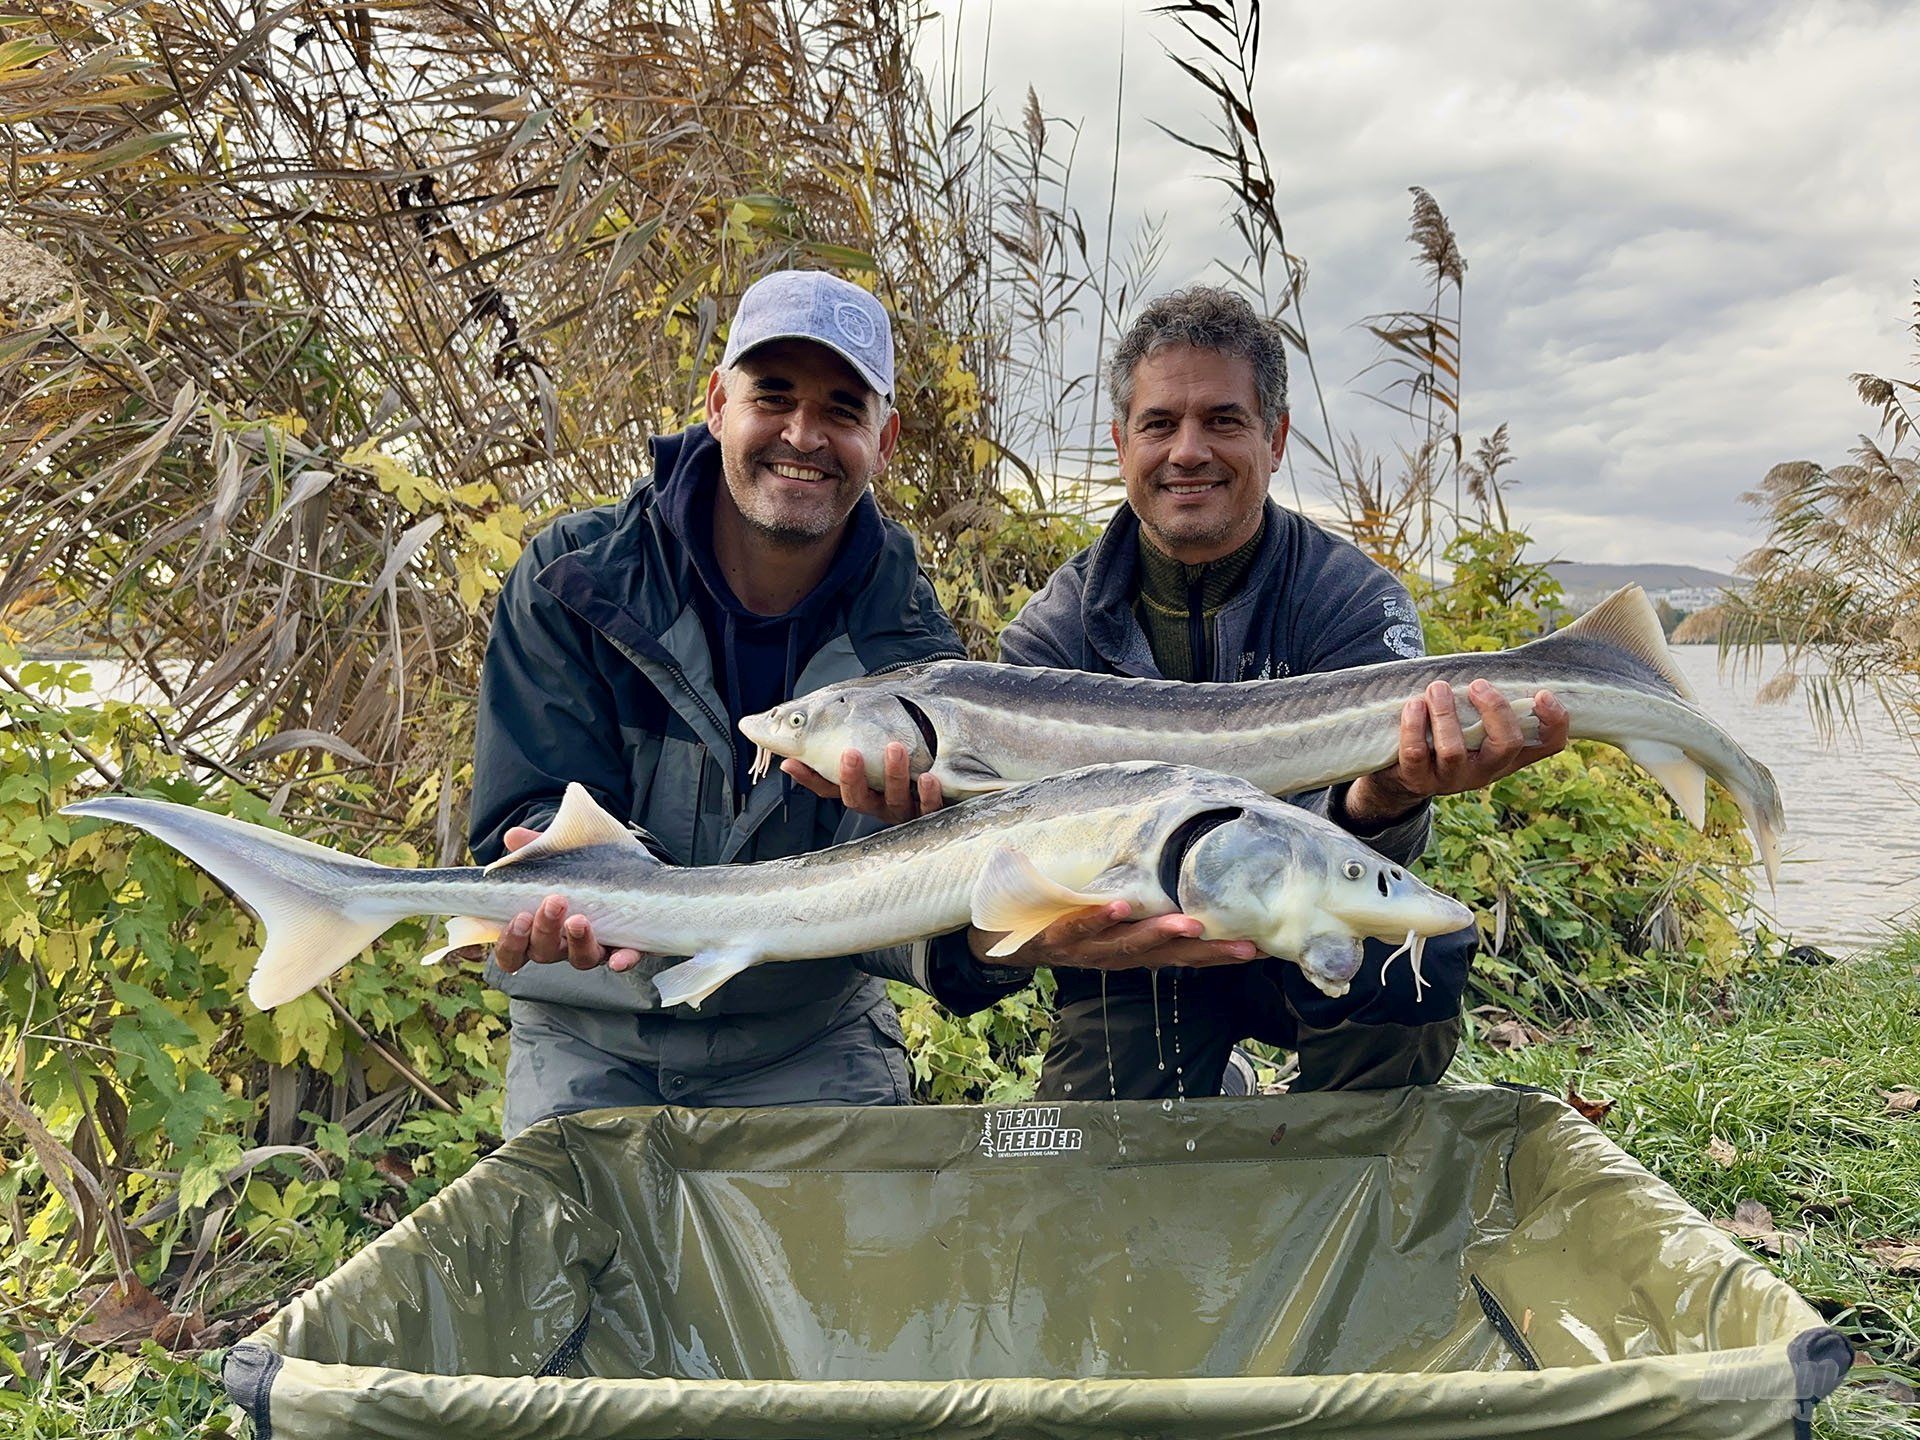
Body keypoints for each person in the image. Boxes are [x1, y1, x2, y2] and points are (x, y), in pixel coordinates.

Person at [791, 285, 1569, 1100]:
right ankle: (1205, 1082)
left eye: (1223, 421)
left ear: (1275, 437)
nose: (1188, 450)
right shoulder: (1051, 637)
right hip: (1135, 947)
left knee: (1415, 963)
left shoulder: (1350, 600)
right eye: (1160, 424)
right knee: (1096, 1171)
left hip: (1299, 920)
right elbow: (1011, 874)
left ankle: (1340, 1160)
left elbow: (1375, 858)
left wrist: (1390, 798)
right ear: (1122, 442)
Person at [469, 269, 1019, 1136]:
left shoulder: (914, 655)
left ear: (887, 438)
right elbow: (524, 808)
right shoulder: (573, 580)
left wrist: (1001, 935)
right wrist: (556, 879)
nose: (803, 434)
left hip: (808, 1038)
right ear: (719, 402)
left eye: (842, 409)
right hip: (592, 1032)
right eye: (773, 396)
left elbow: (903, 912)